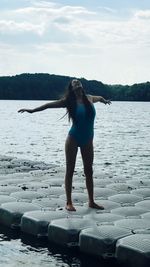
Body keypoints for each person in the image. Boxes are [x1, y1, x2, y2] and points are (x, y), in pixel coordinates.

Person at [18, 79, 111, 211]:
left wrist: (105, 100)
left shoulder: (89, 98)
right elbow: (48, 105)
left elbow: (100, 98)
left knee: (89, 170)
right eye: (74, 83)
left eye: (78, 82)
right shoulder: (68, 101)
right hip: (73, 138)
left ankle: (91, 201)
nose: (76, 82)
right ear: (72, 88)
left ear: (81, 86)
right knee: (70, 170)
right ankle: (69, 202)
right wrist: (32, 110)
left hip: (88, 139)